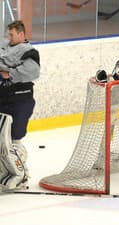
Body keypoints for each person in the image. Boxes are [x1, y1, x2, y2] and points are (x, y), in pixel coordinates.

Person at [0, 20, 40, 191]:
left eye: (11, 34)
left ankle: (21, 174)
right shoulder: (5, 46)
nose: (8, 37)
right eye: (7, 34)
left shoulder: (29, 51)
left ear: (21, 34)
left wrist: (9, 72)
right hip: (4, 99)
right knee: (2, 141)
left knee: (14, 140)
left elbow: (32, 72)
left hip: (21, 100)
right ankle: (5, 171)